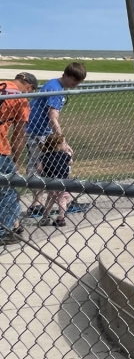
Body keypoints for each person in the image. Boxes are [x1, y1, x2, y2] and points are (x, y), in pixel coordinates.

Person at [25, 62, 86, 215]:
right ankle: (51, 201)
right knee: (51, 165)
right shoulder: (55, 89)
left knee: (38, 167)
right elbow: (53, 118)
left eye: (78, 83)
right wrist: (63, 141)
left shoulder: (53, 84)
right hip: (40, 133)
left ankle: (38, 203)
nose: (75, 85)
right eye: (74, 82)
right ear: (66, 75)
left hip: (36, 131)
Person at [0, 72, 38, 242]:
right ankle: (3, 232)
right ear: (29, 87)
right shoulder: (22, 100)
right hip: (1, 149)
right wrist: (15, 157)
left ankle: (13, 225)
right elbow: (18, 136)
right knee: (9, 187)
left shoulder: (2, 84)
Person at [36, 132, 72, 228]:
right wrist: (69, 153)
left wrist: (44, 171)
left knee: (50, 199)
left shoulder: (44, 156)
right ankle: (61, 218)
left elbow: (39, 168)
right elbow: (70, 163)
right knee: (62, 200)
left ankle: (46, 216)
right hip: (64, 182)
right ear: (59, 145)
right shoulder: (65, 156)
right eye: (64, 143)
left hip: (50, 182)